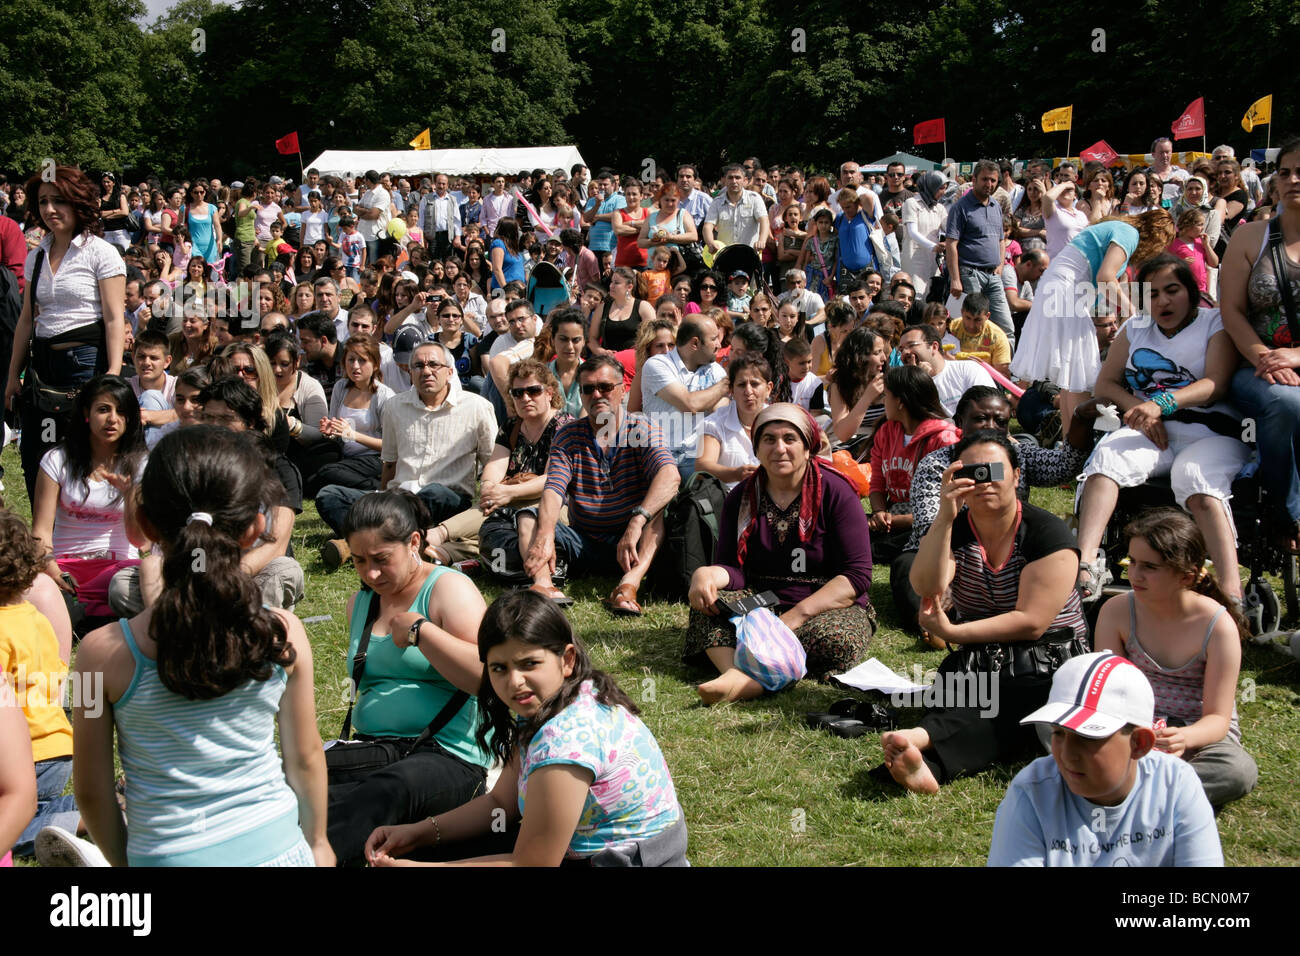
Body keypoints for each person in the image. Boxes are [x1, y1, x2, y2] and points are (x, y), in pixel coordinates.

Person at [70, 427, 331, 866]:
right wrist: (319, 843)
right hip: (282, 851)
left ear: (144, 526)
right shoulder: (284, 633)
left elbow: (92, 792)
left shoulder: (97, 655)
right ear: (256, 528)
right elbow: (305, 757)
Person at [365, 590, 686, 867]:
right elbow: (499, 805)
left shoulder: (566, 739)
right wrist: (418, 833)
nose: (514, 681)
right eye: (499, 668)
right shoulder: (553, 701)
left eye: (529, 664)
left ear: (567, 659)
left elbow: (531, 864)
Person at [883, 431, 1087, 794]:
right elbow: (926, 585)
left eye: (993, 469)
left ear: (1017, 476)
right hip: (984, 661)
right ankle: (923, 759)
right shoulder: (956, 530)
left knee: (1007, 703)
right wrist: (945, 517)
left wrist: (953, 632)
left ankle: (926, 748)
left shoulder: (1046, 534)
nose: (983, 480)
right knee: (971, 691)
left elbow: (1031, 623)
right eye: (972, 471)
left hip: (1046, 664)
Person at [325, 490, 489, 867]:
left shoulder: (448, 588)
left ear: (414, 541)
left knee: (387, 792)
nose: (371, 573)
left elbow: (487, 678)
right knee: (300, 782)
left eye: (382, 559)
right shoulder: (361, 604)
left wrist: (422, 631)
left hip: (448, 755)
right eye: (360, 561)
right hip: (375, 749)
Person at [1074, 254, 1249, 603]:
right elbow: (1106, 385)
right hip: (1151, 431)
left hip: (1210, 431)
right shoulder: (1135, 327)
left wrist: (1162, 403)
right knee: (1107, 459)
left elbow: (1216, 383)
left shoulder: (1214, 323)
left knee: (1194, 477)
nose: (1163, 301)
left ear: (1192, 290)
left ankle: (1231, 590)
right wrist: (1141, 410)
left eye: (1172, 290)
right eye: (1151, 294)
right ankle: (1085, 564)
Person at [686, 403, 876, 702]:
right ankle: (737, 674)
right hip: (763, 600)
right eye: (769, 439)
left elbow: (856, 577)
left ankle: (747, 674)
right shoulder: (741, 496)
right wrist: (706, 573)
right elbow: (733, 569)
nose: (779, 448)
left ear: (807, 446)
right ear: (757, 448)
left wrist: (792, 618)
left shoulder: (837, 493)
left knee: (837, 640)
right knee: (710, 607)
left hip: (824, 604)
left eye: (790, 439)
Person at [987, 651, 1223, 866]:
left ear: (1139, 744)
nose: (1068, 754)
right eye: (1058, 733)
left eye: (1087, 737)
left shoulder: (1175, 784)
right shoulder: (1031, 793)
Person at [1093, 508, 1257, 807]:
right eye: (1132, 562)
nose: (1135, 574)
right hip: (1129, 728)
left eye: (1150, 567)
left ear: (1187, 576)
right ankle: (1163, 788)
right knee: (1056, 730)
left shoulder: (1217, 625)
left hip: (1197, 739)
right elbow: (1107, 694)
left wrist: (1184, 738)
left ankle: (1128, 786)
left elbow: (1218, 719)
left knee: (1237, 770)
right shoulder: (1116, 611)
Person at [5, 166, 127, 502]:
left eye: (59, 201)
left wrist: (113, 375)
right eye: (43, 202)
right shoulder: (37, 256)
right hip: (42, 366)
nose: (50, 209)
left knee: (80, 453)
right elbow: (26, 320)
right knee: (37, 455)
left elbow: (115, 317)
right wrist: (13, 376)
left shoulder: (101, 252)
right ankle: (45, 537)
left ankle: (81, 537)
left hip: (85, 365)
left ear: (78, 203)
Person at [317, 340, 496, 567]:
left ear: (450, 372)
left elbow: (491, 461)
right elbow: (389, 463)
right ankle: (386, 543)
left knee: (433, 492)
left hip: (445, 500)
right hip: (399, 496)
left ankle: (358, 544)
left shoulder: (477, 407)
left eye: (434, 365)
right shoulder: (395, 407)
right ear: (410, 373)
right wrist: (380, 498)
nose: (426, 371)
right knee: (329, 495)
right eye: (419, 366)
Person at [524, 355, 680, 614]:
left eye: (605, 387)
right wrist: (545, 535)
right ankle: (544, 585)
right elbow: (554, 489)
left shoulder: (640, 429)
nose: (597, 395)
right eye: (588, 389)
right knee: (529, 518)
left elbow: (670, 475)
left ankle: (628, 585)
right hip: (583, 541)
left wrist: (637, 520)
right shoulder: (569, 435)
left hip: (633, 545)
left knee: (659, 511)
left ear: (622, 390)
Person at [1010, 211, 1176, 426]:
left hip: (1059, 288)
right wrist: (1133, 310)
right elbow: (1105, 277)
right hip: (1066, 290)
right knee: (1079, 375)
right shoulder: (1129, 233)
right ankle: (1076, 445)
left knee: (1071, 376)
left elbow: (1107, 283)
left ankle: (1069, 446)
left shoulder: (1118, 230)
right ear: (1156, 236)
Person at [418, 359, 572, 576]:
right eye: (517, 393)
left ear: (549, 392)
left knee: (509, 514)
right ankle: (447, 552)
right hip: (508, 499)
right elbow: (494, 467)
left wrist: (507, 493)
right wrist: (491, 488)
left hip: (553, 502)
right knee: (499, 515)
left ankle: (439, 536)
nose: (525, 398)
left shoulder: (564, 426)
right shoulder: (511, 426)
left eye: (533, 391)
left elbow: (552, 479)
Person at [1220, 136, 1300, 548]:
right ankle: (1286, 514)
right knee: (1288, 403)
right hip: (1256, 366)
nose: (1293, 179)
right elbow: (1230, 310)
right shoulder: (1250, 237)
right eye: (1285, 172)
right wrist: (1269, 358)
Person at [32, 375, 145, 621]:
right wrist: (54, 571)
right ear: (86, 413)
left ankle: (83, 614)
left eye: (121, 411)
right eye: (103, 410)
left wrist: (130, 495)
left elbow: (140, 540)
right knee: (38, 590)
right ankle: (88, 614)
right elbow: (40, 532)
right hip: (65, 567)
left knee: (125, 590)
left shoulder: (142, 464)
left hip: (119, 570)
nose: (113, 419)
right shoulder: (57, 460)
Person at [0, 511, 79, 859]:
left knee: (11, 824)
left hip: (25, 758)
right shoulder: (37, 619)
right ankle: (88, 806)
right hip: (59, 751)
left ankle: (73, 820)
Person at [868, 366, 959, 563]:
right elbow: (877, 482)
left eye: (886, 395)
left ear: (900, 402)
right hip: (892, 515)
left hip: (930, 521)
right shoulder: (885, 432)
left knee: (876, 547)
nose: (884, 401)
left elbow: (950, 504)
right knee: (847, 528)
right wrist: (878, 512)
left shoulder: (944, 439)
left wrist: (894, 521)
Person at [305, 335, 395, 499]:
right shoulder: (341, 387)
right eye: (351, 360)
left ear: (375, 364)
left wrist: (353, 435)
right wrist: (330, 430)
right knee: (310, 477)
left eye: (362, 361)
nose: (355, 366)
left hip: (375, 458)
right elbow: (335, 428)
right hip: (345, 454)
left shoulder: (384, 396)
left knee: (328, 473)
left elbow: (391, 446)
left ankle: (377, 489)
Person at [639, 315, 728, 479]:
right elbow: (689, 404)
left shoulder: (714, 369)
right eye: (714, 339)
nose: (719, 345)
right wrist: (726, 384)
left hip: (697, 456)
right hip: (662, 455)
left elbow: (721, 411)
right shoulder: (657, 364)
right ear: (695, 343)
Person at [945, 160, 1014, 345]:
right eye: (985, 179)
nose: (989, 184)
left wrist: (1000, 265)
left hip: (993, 275)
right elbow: (951, 244)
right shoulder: (960, 207)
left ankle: (1006, 371)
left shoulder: (996, 206)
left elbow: (1001, 240)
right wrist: (956, 278)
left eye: (993, 180)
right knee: (973, 325)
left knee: (1006, 328)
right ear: (974, 179)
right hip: (969, 273)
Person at [695, 355, 773, 491]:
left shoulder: (782, 420)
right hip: (730, 500)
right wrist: (736, 474)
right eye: (741, 385)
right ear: (731, 390)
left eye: (755, 384)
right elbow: (702, 467)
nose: (748, 391)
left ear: (768, 388)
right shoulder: (714, 423)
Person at [897, 323, 995, 416]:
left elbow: (990, 408)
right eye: (901, 350)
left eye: (911, 345)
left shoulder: (969, 369)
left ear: (934, 346)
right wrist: (918, 383)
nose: (905, 352)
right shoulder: (904, 387)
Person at [826, 326, 889, 444]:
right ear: (859, 358)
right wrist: (867, 397)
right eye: (877, 352)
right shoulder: (841, 385)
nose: (884, 358)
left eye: (883, 351)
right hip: (855, 448)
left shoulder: (888, 380)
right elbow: (842, 434)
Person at [587, 265, 654, 356]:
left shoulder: (644, 307)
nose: (611, 286)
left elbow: (652, 338)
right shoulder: (602, 308)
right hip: (608, 363)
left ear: (629, 287)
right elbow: (592, 339)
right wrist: (602, 352)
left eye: (616, 283)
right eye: (611, 282)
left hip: (634, 363)